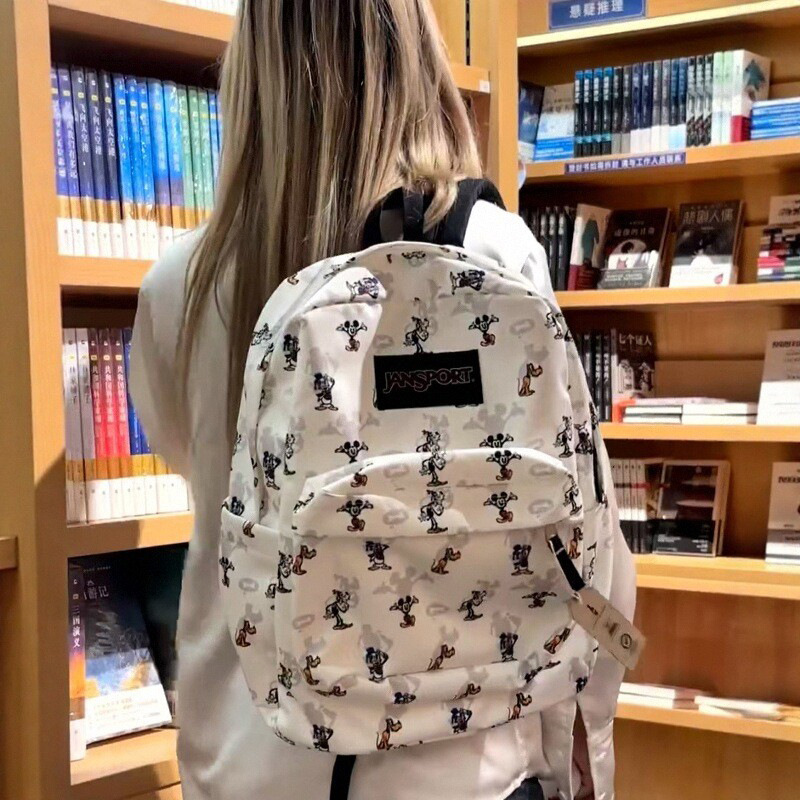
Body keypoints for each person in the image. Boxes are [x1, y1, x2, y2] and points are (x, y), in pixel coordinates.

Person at [131, 2, 633, 799]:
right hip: (462, 767)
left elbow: (196, 469)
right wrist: (587, 755)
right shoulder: (486, 249)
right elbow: (588, 542)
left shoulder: (181, 283)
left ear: (253, 67)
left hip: (242, 758)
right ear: (414, 51)